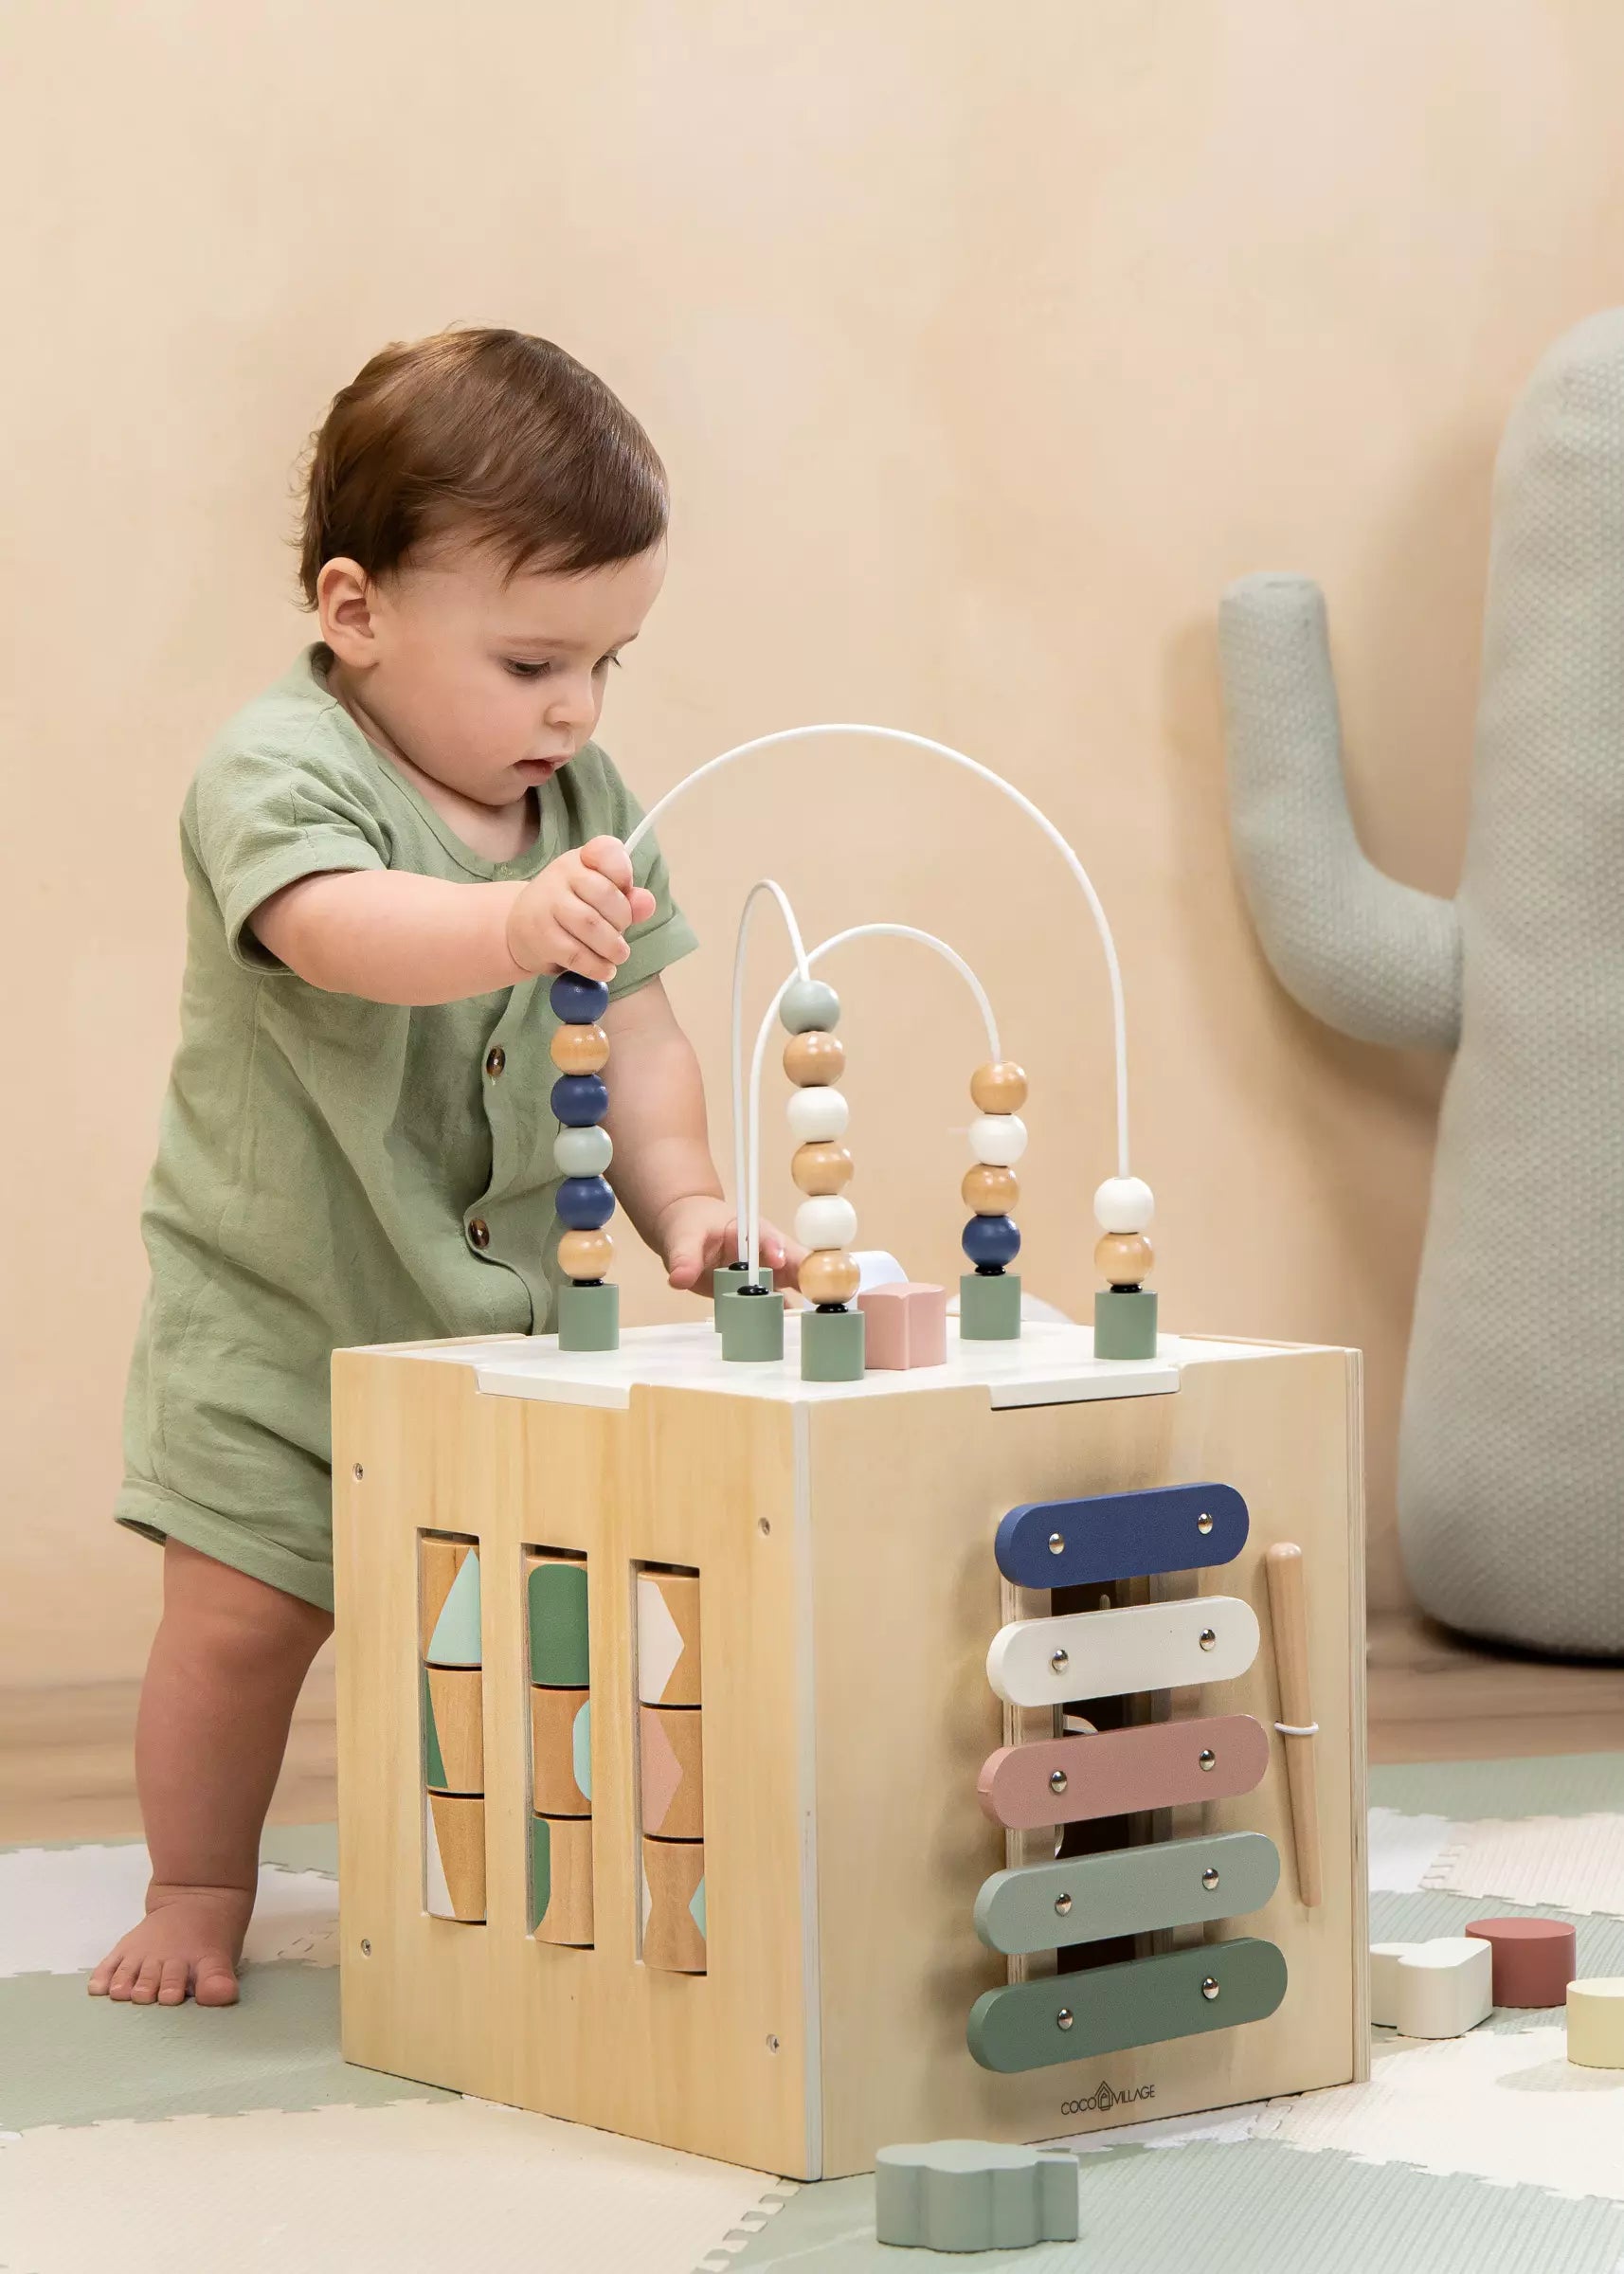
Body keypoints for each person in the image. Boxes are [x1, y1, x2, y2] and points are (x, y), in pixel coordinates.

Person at [92, 327, 796, 2006]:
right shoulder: (276, 770)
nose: (576, 709)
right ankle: (197, 1883)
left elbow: (634, 1029)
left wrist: (685, 1199)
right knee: (241, 1626)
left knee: (513, 1625)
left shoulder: (584, 801)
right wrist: (504, 924)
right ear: (358, 612)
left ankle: (508, 1869)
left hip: (506, 1333)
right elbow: (339, 933)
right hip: (282, 1317)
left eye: (609, 663)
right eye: (534, 661)